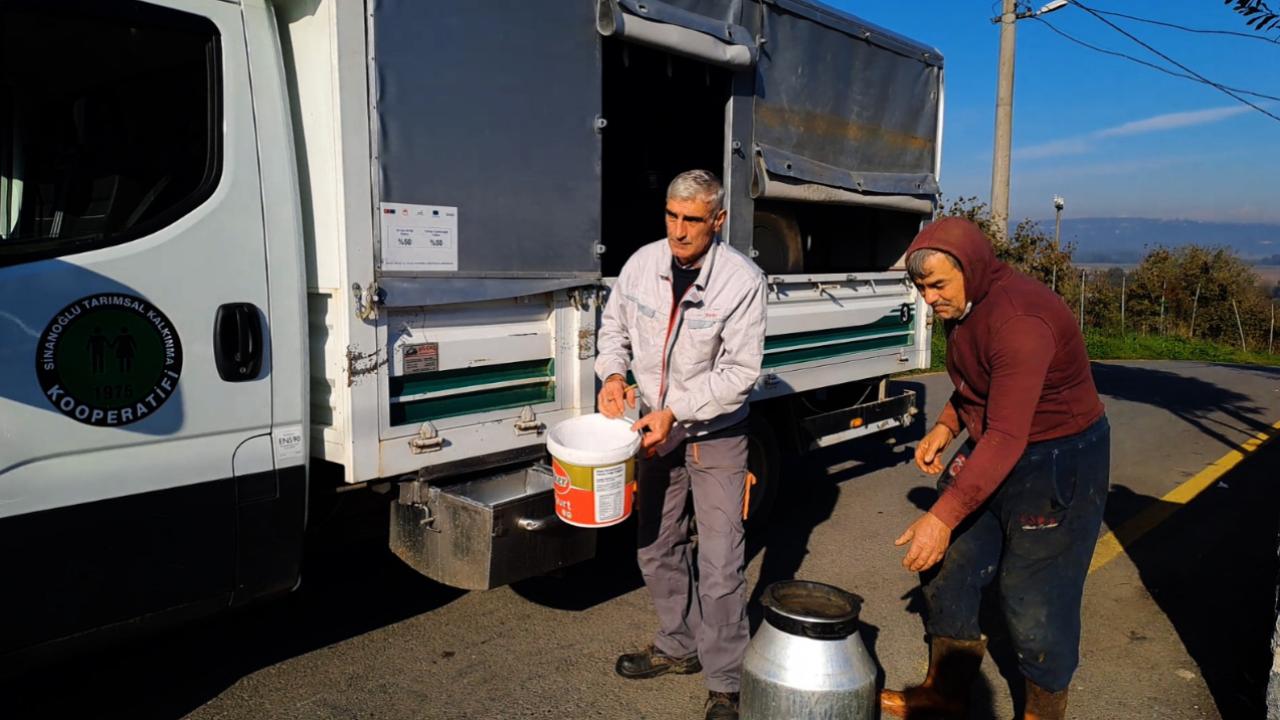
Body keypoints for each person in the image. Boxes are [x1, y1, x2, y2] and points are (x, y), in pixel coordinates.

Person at [882, 217, 1110, 720]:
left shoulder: (1020, 321)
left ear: (975, 268)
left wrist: (940, 516)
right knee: (947, 567)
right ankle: (946, 692)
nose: (929, 298)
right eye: (920, 287)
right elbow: (976, 384)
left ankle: (1043, 713)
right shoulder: (961, 305)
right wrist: (946, 425)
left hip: (1058, 457)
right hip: (998, 441)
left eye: (937, 285)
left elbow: (1009, 434)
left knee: (1034, 596)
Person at [595, 169, 767, 720]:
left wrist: (678, 411)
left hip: (715, 435)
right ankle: (678, 645)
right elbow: (613, 327)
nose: (679, 229)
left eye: (693, 219)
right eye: (672, 215)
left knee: (719, 563)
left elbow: (741, 373)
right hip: (652, 430)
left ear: (718, 220)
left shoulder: (742, 281)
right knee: (655, 545)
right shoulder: (642, 264)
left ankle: (725, 681)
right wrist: (612, 374)